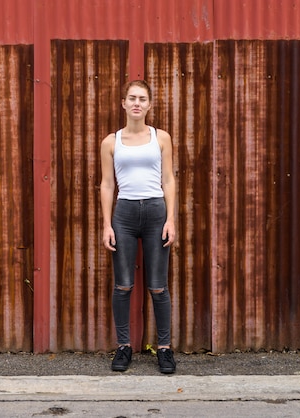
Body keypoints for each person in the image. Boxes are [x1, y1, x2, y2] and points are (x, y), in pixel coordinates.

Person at [100, 80, 177, 374]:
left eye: (142, 99)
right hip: (125, 215)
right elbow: (107, 184)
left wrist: (171, 219)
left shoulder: (161, 138)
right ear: (123, 103)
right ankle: (123, 346)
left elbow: (168, 179)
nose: (136, 103)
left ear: (149, 105)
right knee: (123, 285)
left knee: (158, 286)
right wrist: (107, 224)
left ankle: (165, 349)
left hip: (156, 211)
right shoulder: (111, 141)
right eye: (131, 98)